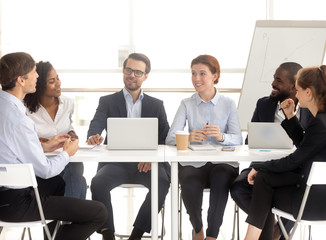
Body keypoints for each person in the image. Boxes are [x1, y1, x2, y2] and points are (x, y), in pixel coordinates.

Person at [241, 65, 326, 240]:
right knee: (264, 179)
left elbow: (294, 160)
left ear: (308, 92)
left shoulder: (321, 123)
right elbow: (305, 145)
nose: (295, 94)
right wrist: (290, 116)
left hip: (318, 204)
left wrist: (259, 166)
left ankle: (252, 238)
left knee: (263, 181)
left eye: (298, 89)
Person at [0, 52, 107, 240]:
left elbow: (9, 147)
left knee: (57, 183)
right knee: (98, 212)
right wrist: (67, 153)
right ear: (21, 80)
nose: (37, 76)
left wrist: (44, 146)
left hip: (4, 196)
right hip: (16, 204)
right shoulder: (20, 120)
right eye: (34, 72)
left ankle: (49, 234)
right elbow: (46, 170)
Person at [87, 53, 170, 240]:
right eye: (128, 70)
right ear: (123, 71)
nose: (132, 75)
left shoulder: (157, 105)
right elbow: (95, 125)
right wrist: (94, 136)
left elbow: (165, 137)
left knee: (162, 182)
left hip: (146, 164)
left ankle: (137, 234)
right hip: (116, 163)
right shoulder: (107, 101)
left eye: (138, 72)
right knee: (98, 183)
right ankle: (107, 234)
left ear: (145, 76)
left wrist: (152, 158)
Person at [230, 62, 313, 240]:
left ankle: (276, 233)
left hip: (294, 171)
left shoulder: (310, 110)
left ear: (293, 86)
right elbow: (249, 141)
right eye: (273, 79)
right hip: (264, 166)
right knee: (238, 187)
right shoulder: (264, 104)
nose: (273, 84)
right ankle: (272, 231)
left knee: (295, 195)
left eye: (278, 80)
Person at [165, 55, 242, 240]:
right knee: (189, 183)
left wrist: (222, 137)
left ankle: (212, 236)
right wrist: (188, 137)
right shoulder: (186, 104)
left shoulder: (228, 103)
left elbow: (238, 138)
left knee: (221, 177)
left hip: (223, 162)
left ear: (215, 76)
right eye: (193, 73)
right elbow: (170, 138)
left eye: (202, 74)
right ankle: (197, 227)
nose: (196, 79)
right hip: (194, 162)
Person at [23, 61, 87, 199]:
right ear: (39, 85)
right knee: (80, 182)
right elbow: (24, 140)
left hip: (64, 159)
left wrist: (72, 135)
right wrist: (40, 142)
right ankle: (70, 217)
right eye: (52, 81)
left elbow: (69, 127)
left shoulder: (68, 103)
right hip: (40, 164)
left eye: (57, 78)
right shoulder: (24, 108)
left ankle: (69, 217)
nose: (58, 83)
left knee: (76, 170)